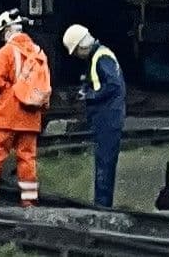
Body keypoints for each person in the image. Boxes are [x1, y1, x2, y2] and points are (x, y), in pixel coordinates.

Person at [0, 6, 52, 207]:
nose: (2, 38)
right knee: (27, 158)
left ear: (8, 30)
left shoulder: (6, 52)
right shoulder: (39, 53)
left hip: (6, 115)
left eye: (2, 33)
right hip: (31, 117)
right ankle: (29, 200)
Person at [64, 22, 128, 211]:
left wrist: (90, 95)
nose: (77, 55)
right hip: (106, 118)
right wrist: (86, 90)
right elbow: (100, 82)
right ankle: (101, 204)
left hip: (108, 118)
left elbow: (113, 86)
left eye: (76, 51)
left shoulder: (101, 57)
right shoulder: (97, 57)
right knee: (103, 163)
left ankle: (102, 206)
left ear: (81, 46)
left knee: (104, 165)